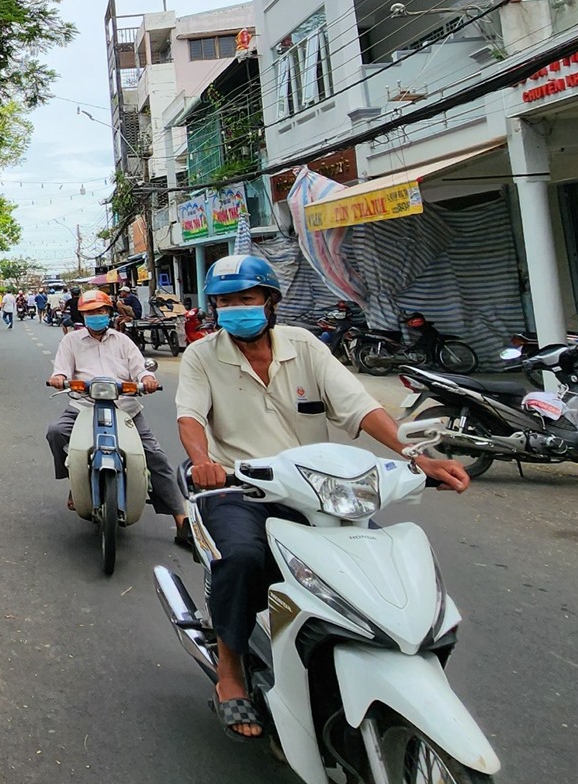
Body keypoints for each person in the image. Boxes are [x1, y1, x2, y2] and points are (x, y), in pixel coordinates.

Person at [175, 253, 471, 739]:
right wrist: (204, 460)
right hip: (238, 485)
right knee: (243, 559)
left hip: (318, 488)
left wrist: (418, 458)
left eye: (245, 299)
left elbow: (361, 408)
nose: (235, 309)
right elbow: (191, 416)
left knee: (380, 570)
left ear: (270, 301)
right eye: (225, 302)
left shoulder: (305, 345)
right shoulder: (201, 355)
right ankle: (231, 671)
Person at [45, 289, 193, 550]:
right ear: (83, 314)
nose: (96, 316)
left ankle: (181, 519)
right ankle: (74, 480)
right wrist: (59, 378)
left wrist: (147, 379)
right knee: (55, 432)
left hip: (125, 408)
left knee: (155, 455)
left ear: (108, 313)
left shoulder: (123, 341)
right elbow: (61, 370)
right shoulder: (71, 341)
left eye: (101, 311)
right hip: (83, 406)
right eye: (91, 312)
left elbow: (139, 368)